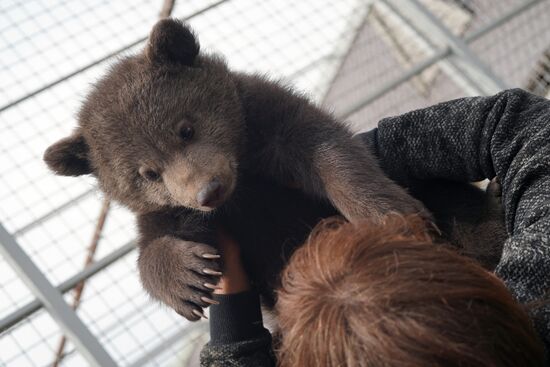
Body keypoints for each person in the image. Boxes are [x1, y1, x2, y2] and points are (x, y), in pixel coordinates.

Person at [199, 88, 550, 366]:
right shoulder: (538, 296)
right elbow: (522, 125)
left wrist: (227, 296)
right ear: (484, 279)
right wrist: (354, 161)